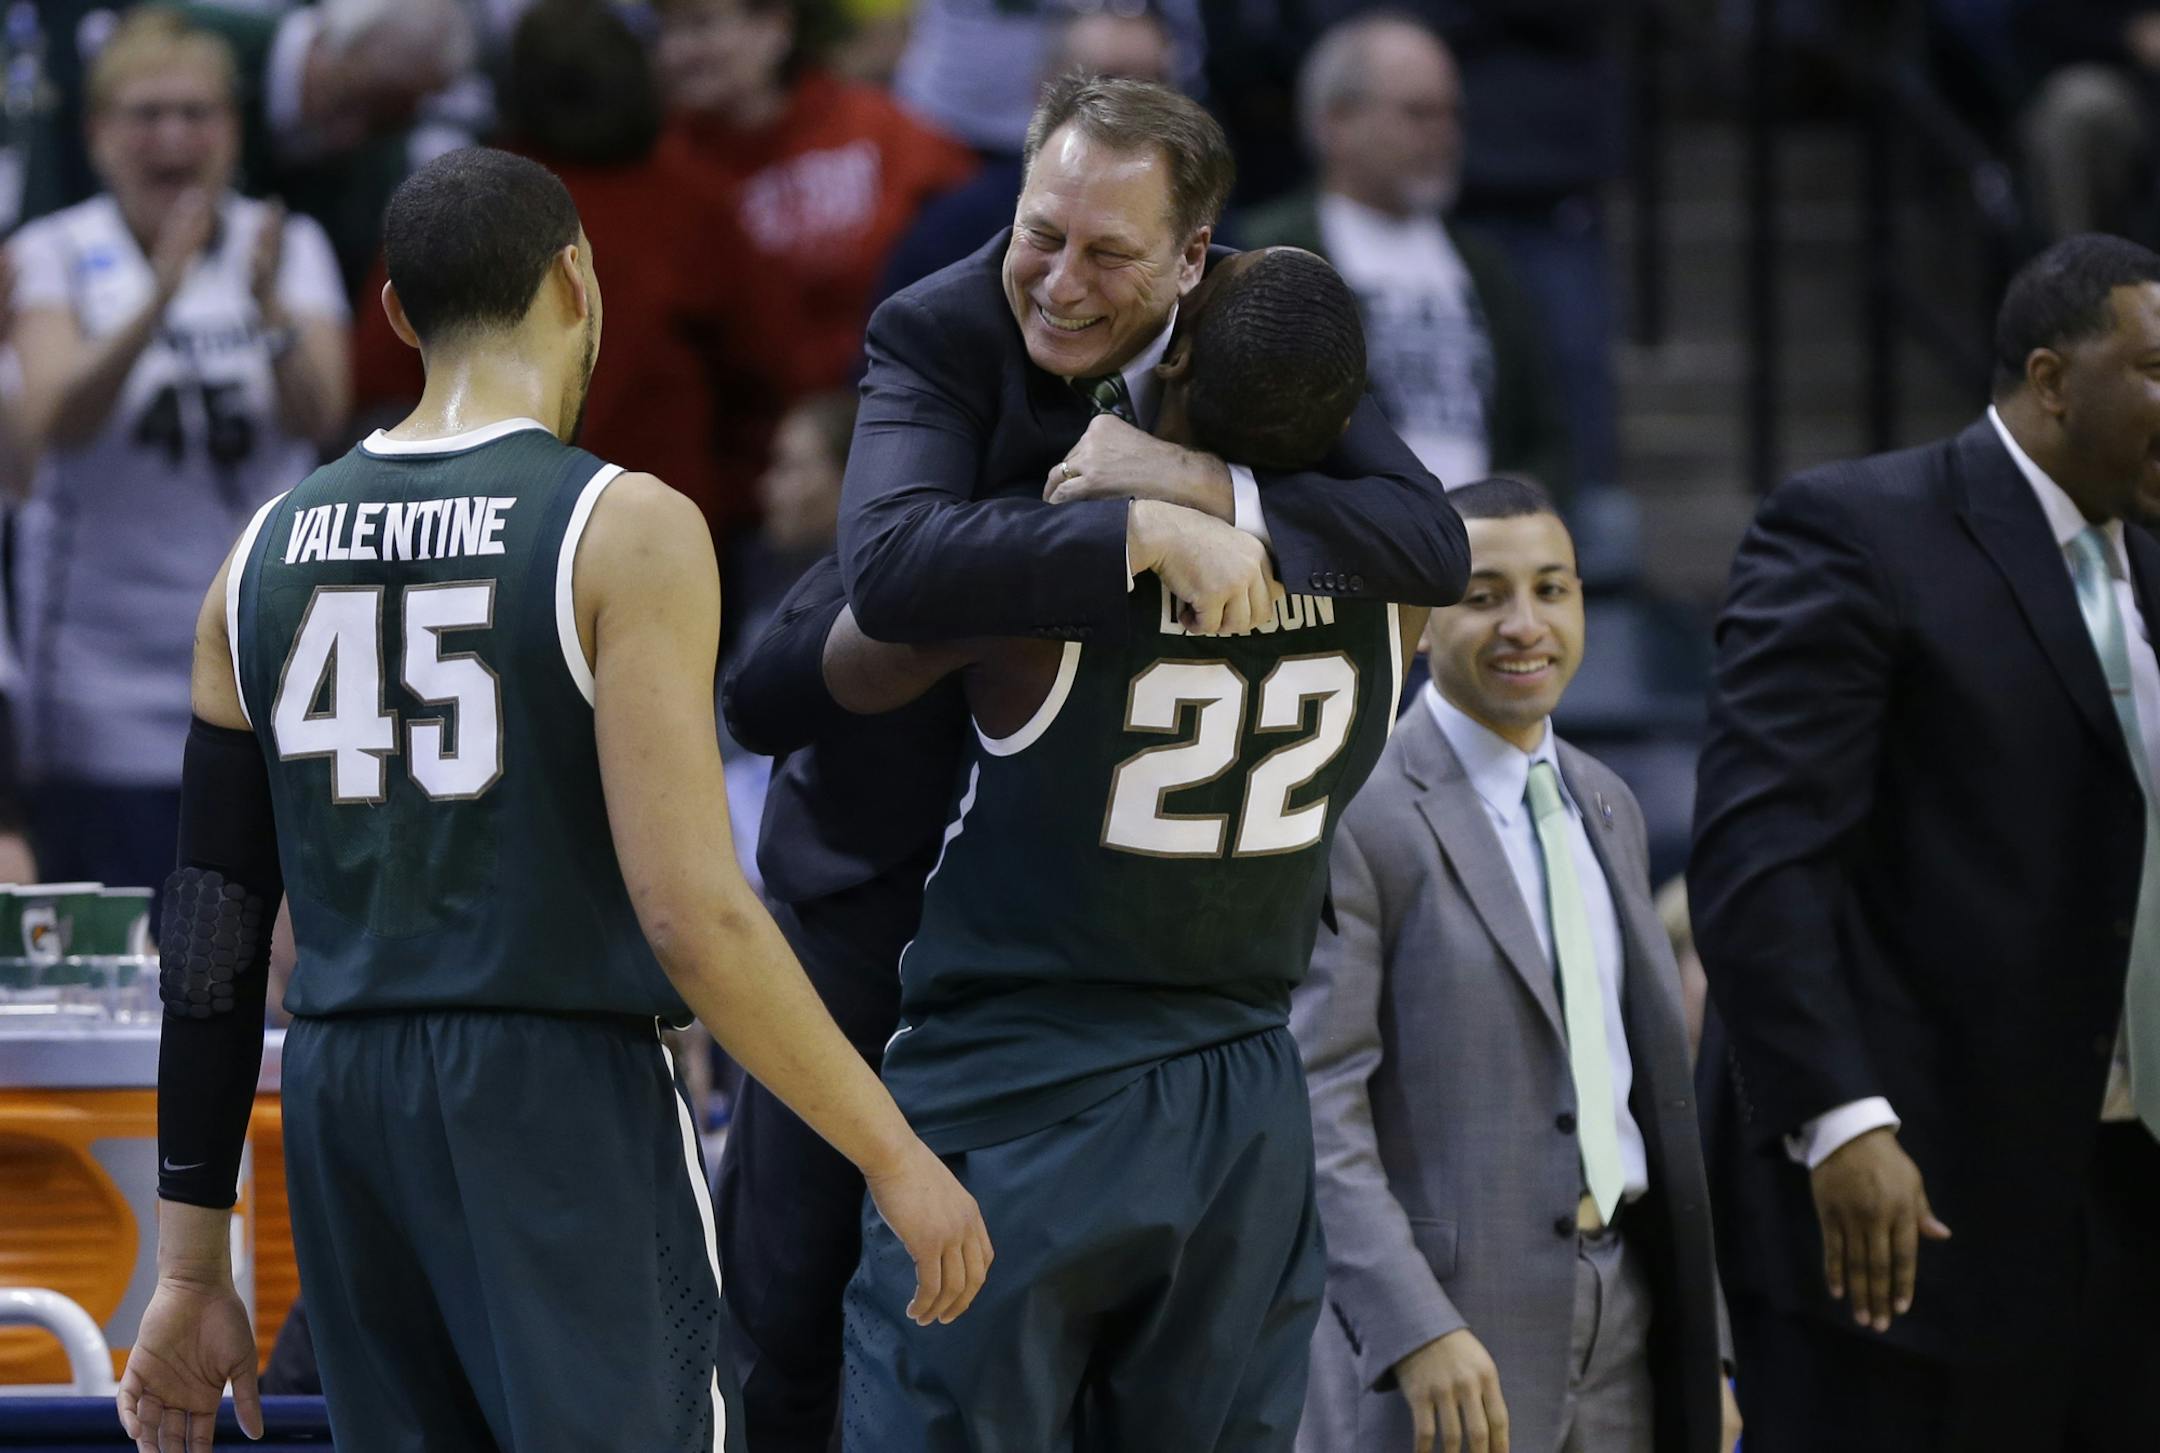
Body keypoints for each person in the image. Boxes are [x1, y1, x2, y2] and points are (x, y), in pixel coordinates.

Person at [111, 146, 989, 1453]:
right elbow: (695, 912)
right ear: (577, 281)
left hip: (344, 1102)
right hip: (556, 1092)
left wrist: (189, 1271)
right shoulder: (623, 524)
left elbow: (211, 940)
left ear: (398, 316)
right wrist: (892, 1152)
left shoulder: (258, 555)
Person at [717, 75, 1468, 1451]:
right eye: (1036, 231)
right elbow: (875, 581)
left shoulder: (1261, 333)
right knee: (790, 1312)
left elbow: (1435, 543)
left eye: (1106, 254)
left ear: (1194, 260)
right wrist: (1126, 534)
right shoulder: (944, 324)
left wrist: (1195, 488)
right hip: (877, 892)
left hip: (1085, 960)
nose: (1056, 284)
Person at [1690, 232, 2160, 1451]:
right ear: (2054, 379)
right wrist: (1843, 1118)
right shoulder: (1856, 530)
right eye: (2159, 368)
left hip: (2113, 1183)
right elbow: (1761, 859)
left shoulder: (2148, 566)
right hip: (1908, 1181)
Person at [1292, 476, 1737, 1453]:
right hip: (1446, 1336)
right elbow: (1316, 1103)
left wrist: (1707, 1343)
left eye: (1553, 588)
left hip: (1627, 1312)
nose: (1524, 624)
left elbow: (1649, 1105)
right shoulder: (1355, 810)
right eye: (1482, 595)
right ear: (1416, 621)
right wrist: (1416, 1324)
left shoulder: (1608, 801)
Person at [6, 8, 350, 896]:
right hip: (97, 679)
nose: (174, 137)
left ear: (233, 130)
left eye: (197, 114)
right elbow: (55, 424)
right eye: (147, 114)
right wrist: (158, 293)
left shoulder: (288, 245)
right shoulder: (52, 251)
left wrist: (269, 310)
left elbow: (323, 414)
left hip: (260, 670)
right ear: (98, 133)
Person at [1239, 15, 1569, 499]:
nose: (1444, 134)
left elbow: (1546, 431)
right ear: (1336, 122)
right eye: (1418, 113)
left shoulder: (1484, 264)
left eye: (1451, 114)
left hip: (1485, 553)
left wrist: (1520, 498)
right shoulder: (1268, 250)